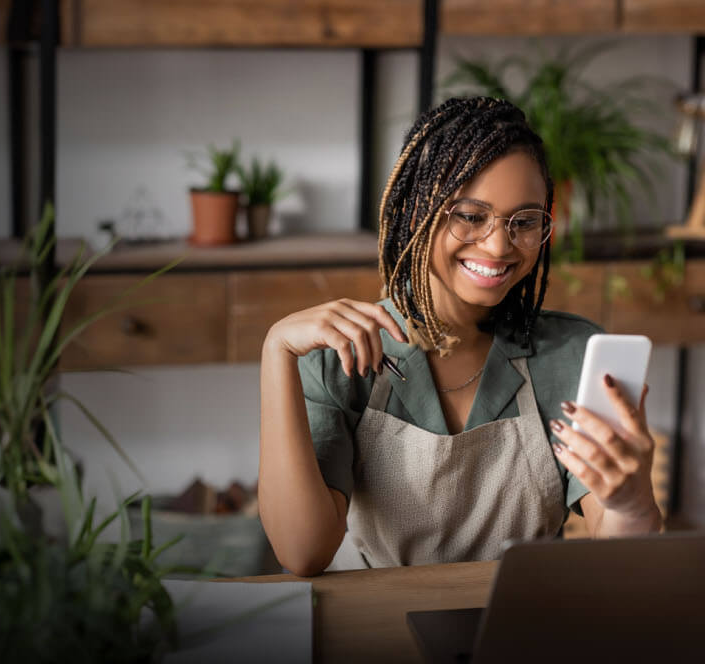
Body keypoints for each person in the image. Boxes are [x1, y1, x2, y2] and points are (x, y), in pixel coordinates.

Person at [258, 96, 662, 576]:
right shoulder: (342, 354)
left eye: (524, 221)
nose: (498, 245)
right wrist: (276, 351)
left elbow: (620, 560)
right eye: (470, 216)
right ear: (416, 213)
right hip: (378, 627)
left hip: (519, 625)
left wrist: (631, 505)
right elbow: (303, 553)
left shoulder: (570, 356)